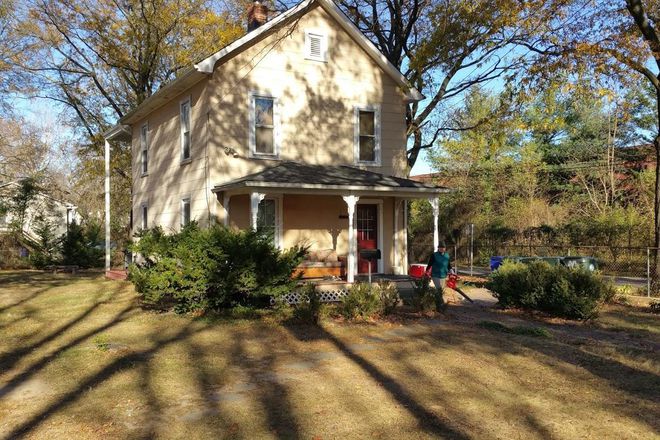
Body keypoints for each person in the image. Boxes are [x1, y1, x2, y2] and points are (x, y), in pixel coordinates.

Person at [426, 243, 452, 310]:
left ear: (445, 248)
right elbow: (430, 264)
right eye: (440, 247)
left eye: (443, 247)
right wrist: (427, 271)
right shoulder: (434, 255)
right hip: (435, 275)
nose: (442, 249)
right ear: (438, 248)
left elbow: (448, 265)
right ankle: (440, 305)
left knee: (442, 290)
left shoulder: (447, 255)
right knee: (439, 289)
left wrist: (451, 271)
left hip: (443, 275)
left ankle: (439, 304)